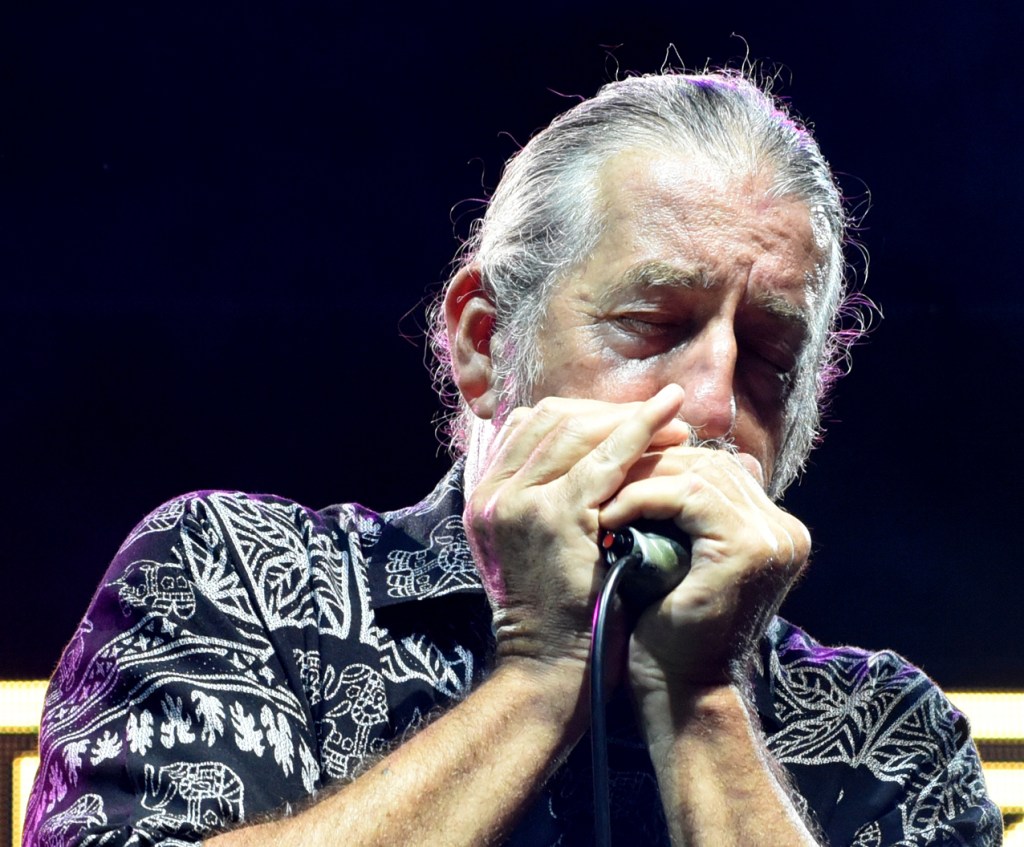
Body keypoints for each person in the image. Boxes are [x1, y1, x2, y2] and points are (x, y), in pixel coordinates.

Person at [24, 70, 1001, 846]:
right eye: (653, 324)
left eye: (768, 357)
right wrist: (541, 672)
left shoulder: (890, 733)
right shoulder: (231, 575)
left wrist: (704, 703)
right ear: (485, 344)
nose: (711, 403)